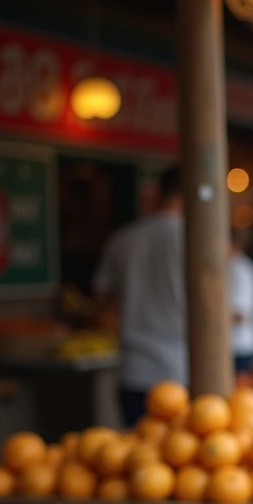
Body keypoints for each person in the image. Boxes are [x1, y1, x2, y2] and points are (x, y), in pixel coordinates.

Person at [94, 166, 186, 428]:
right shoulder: (198, 241)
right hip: (184, 370)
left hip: (134, 369)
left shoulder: (123, 239)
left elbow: (101, 297)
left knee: (137, 456)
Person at [230, 226, 253, 375]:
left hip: (238, 347)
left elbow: (240, 314)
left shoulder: (240, 270)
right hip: (233, 346)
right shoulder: (231, 267)